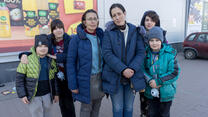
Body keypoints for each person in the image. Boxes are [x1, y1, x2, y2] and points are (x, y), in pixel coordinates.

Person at [19, 19, 76, 117]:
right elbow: (36, 48)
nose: (58, 30)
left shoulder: (69, 39)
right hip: (53, 76)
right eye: (55, 28)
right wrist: (24, 54)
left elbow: (72, 55)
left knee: (68, 103)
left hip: (66, 75)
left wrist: (56, 57)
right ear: (52, 30)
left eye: (61, 28)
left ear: (63, 29)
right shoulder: (48, 39)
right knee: (60, 103)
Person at [102, 3, 146, 117]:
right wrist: (123, 69)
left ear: (124, 13)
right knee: (118, 107)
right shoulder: (108, 32)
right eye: (114, 15)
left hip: (132, 75)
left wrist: (131, 68)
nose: (117, 17)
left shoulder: (135, 30)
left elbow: (141, 52)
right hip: (114, 76)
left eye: (119, 14)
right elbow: (107, 54)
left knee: (129, 107)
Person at [67, 9, 104, 117]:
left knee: (96, 108)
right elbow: (70, 63)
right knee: (86, 109)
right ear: (84, 22)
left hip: (101, 79)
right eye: (89, 19)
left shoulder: (102, 37)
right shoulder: (76, 39)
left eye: (95, 19)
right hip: (86, 80)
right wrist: (73, 85)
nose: (93, 21)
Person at [16, 34, 59, 117]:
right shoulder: (27, 59)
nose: (43, 48)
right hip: (34, 96)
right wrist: (22, 94)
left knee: (48, 113)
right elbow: (19, 79)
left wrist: (56, 93)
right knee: (36, 114)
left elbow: (55, 79)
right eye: (40, 46)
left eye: (45, 46)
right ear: (35, 47)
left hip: (47, 94)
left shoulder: (51, 60)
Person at [143, 26, 180, 117]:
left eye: (157, 40)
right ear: (148, 42)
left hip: (166, 92)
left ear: (161, 41)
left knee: (164, 114)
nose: (154, 43)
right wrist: (150, 80)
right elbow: (142, 69)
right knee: (151, 113)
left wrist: (158, 81)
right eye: (151, 40)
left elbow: (174, 72)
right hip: (151, 91)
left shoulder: (169, 54)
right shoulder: (145, 54)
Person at [138, 10, 168, 117]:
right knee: (145, 105)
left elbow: (167, 56)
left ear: (156, 22)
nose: (149, 22)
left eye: (152, 20)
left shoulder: (162, 36)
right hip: (143, 76)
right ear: (143, 21)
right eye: (147, 20)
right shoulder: (139, 35)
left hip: (159, 79)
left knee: (158, 107)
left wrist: (160, 79)